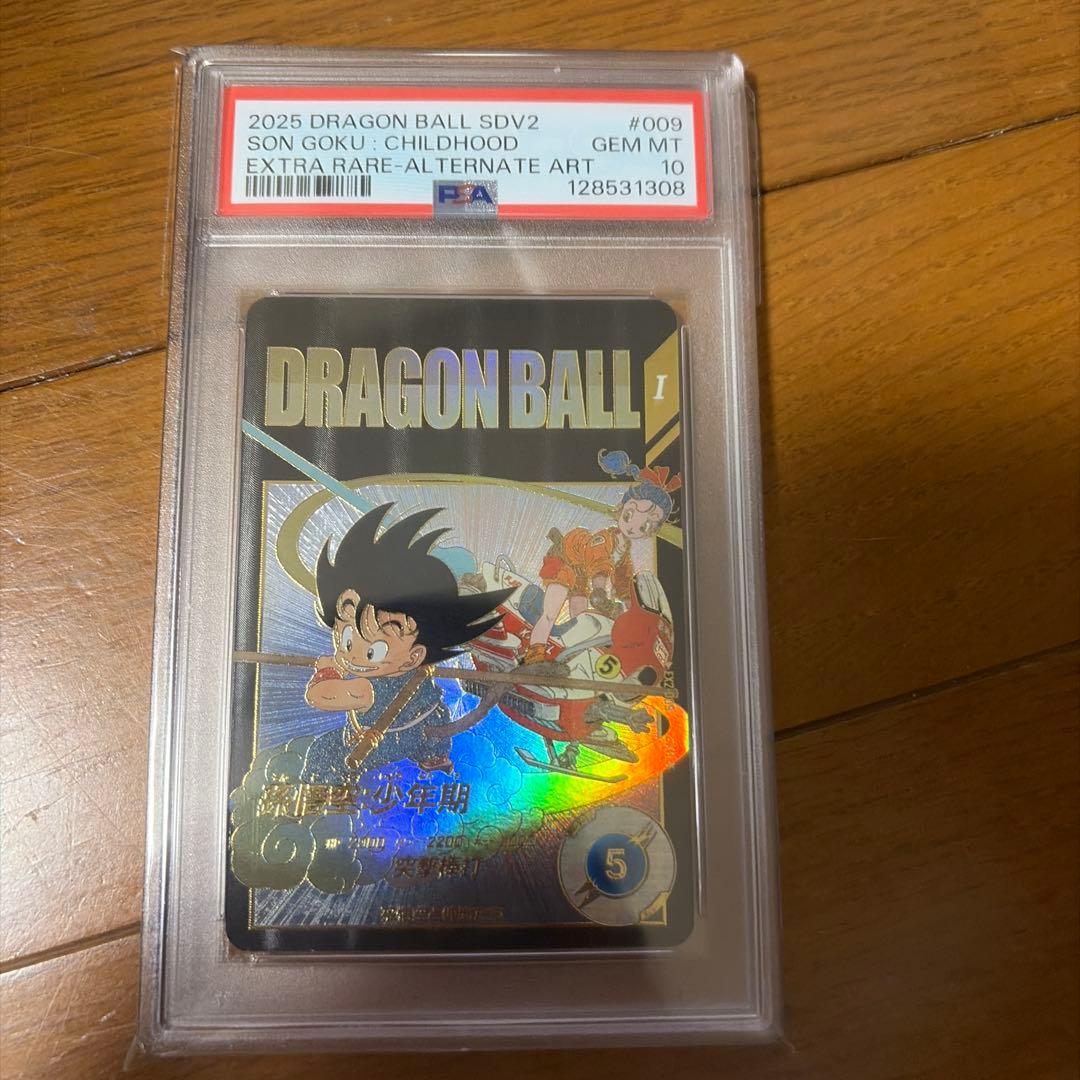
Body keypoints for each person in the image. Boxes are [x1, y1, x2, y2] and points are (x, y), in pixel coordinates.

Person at [522, 449, 681, 666]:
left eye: (644, 526)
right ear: (621, 509)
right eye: (629, 515)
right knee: (550, 612)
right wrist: (598, 591)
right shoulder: (605, 538)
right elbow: (599, 562)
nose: (633, 527)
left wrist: (633, 611)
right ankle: (534, 656)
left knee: (581, 617)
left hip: (581, 574)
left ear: (652, 530)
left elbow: (623, 583)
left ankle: (571, 657)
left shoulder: (624, 553)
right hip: (563, 563)